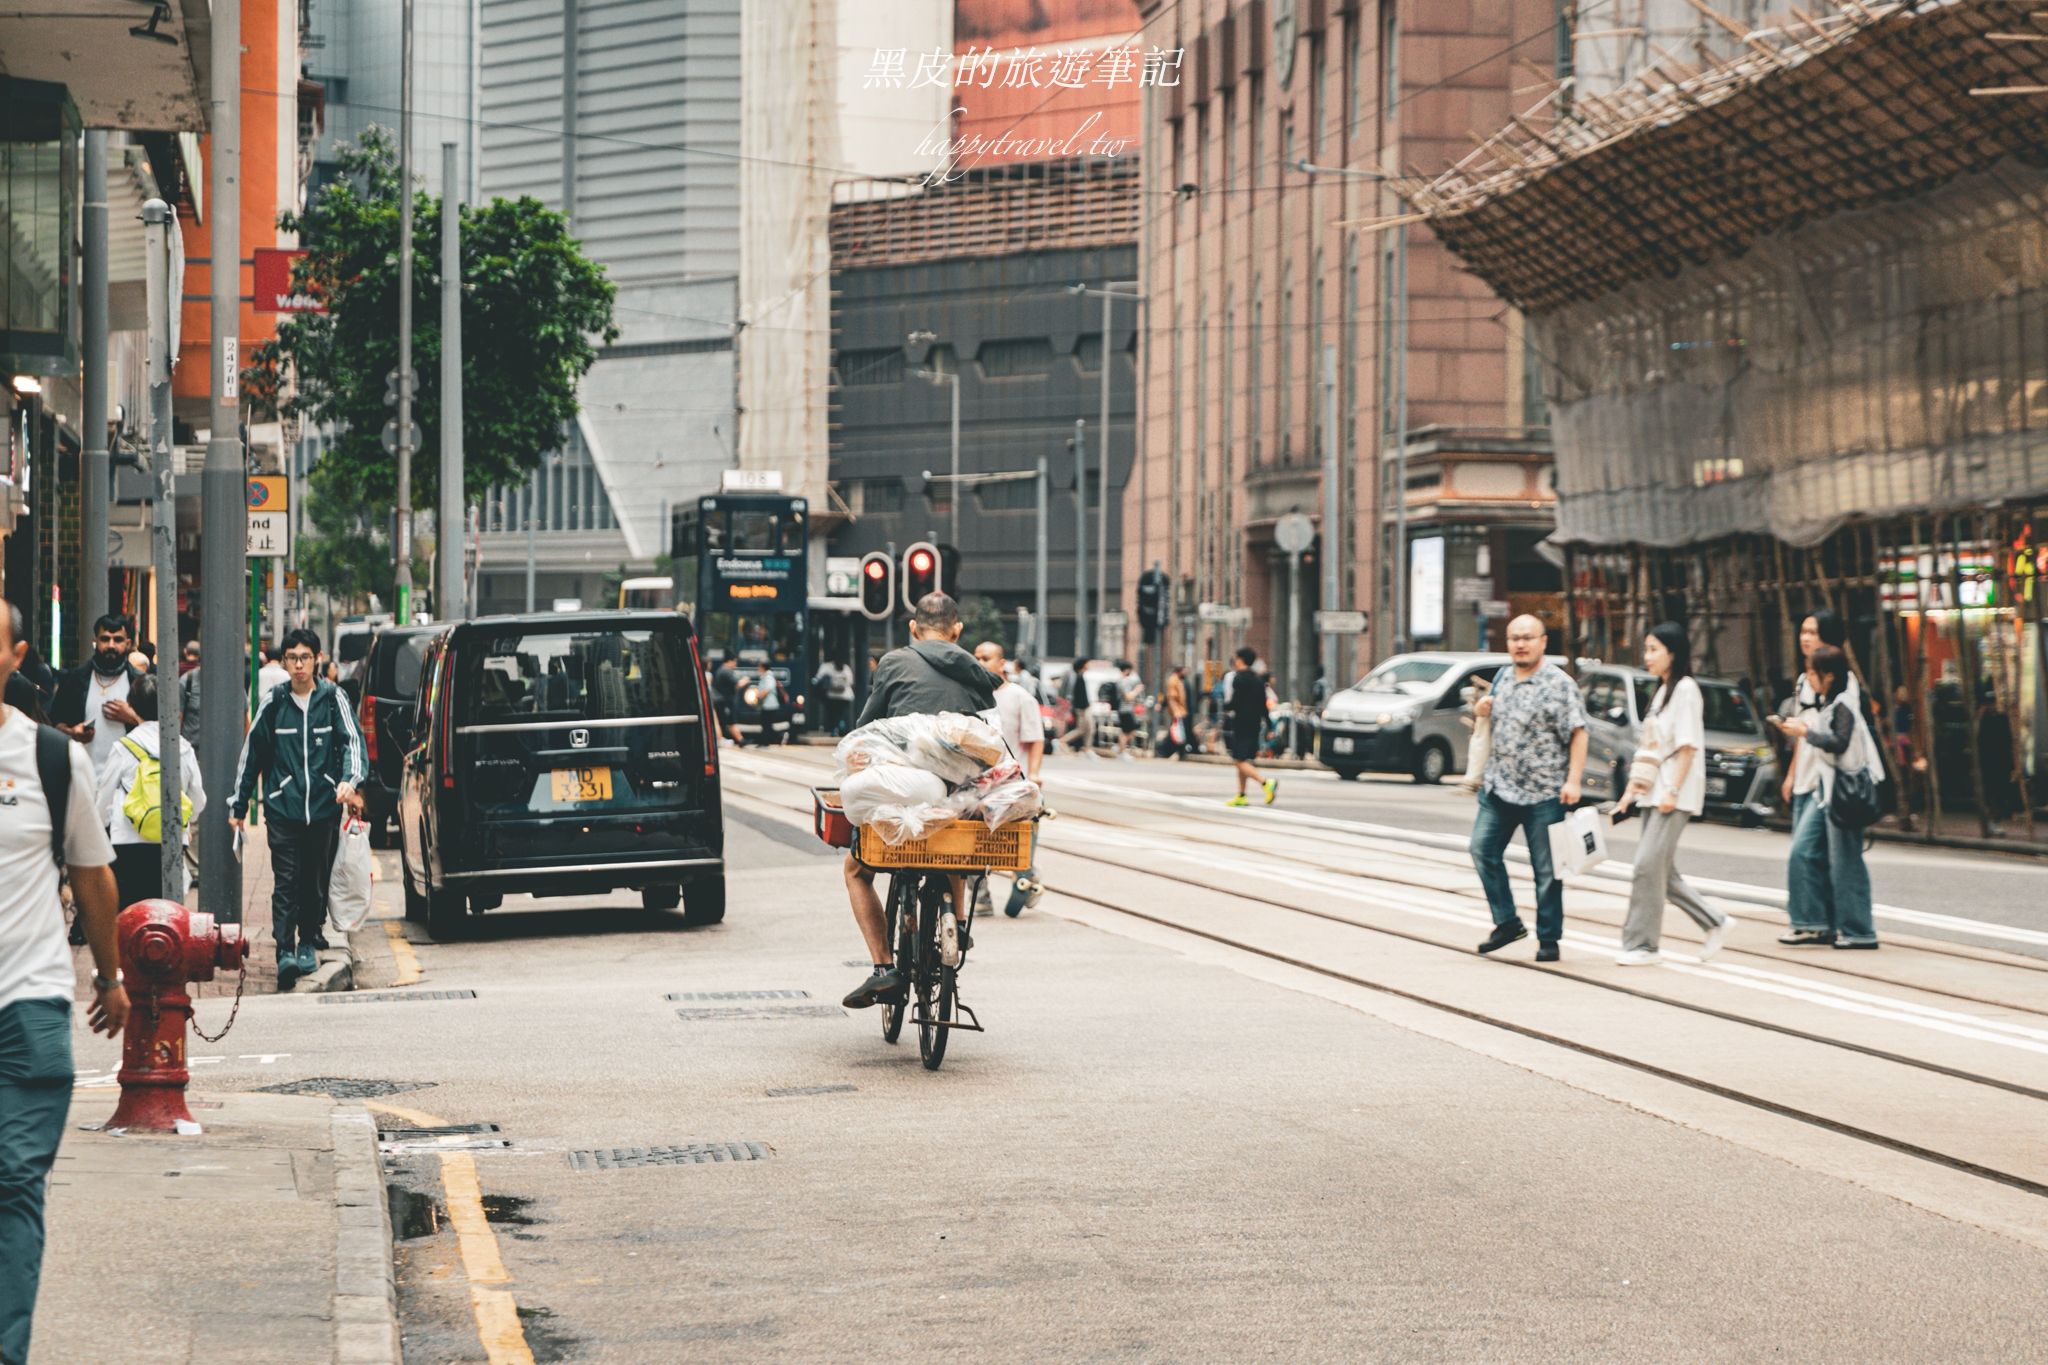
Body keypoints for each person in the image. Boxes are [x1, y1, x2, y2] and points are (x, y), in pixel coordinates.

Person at [0, 600, 128, 1365]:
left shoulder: (51, 758)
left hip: (31, 1002)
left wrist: (111, 975)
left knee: (14, 1180)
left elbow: (93, 876)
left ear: (14, 655)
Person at [841, 593, 999, 1009]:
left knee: (857, 869)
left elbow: (867, 726)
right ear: (957, 630)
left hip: (903, 783)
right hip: (952, 792)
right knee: (957, 841)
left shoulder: (894, 662)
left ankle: (882, 967)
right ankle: (958, 924)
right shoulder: (976, 671)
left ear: (914, 627)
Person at [230, 628, 367, 989]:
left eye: (305, 657)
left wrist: (349, 780)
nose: (299, 665)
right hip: (283, 808)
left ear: (317, 659)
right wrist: (239, 804)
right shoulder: (274, 701)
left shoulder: (332, 697)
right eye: (292, 658)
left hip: (323, 807)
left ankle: (308, 941)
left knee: (313, 880)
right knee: (286, 881)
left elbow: (352, 740)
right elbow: (252, 753)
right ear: (285, 661)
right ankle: (284, 952)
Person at [1470, 614, 1587, 962]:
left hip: (1545, 791)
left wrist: (1573, 780)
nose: (1520, 644)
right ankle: (1507, 921)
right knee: (1481, 850)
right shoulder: (1503, 677)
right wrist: (1481, 709)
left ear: (1543, 642)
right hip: (1499, 787)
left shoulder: (1559, 684)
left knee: (1547, 870)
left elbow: (1579, 731)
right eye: (1514, 638)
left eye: (1527, 637)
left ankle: (1548, 938)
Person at [1612, 623, 1729, 965]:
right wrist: (1629, 794)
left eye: (1653, 649)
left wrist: (1673, 790)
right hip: (1653, 791)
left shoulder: (1687, 689)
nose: (1647, 657)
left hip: (1672, 793)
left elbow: (1688, 746)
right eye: (1646, 649)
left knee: (1646, 868)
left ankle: (1642, 946)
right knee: (1662, 871)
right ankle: (1715, 921)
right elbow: (1650, 752)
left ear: (1672, 653)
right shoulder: (1663, 690)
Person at [1777, 644, 1879, 950]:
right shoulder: (1825, 702)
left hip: (1846, 793)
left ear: (1829, 675)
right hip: (1827, 790)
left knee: (1845, 862)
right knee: (1803, 851)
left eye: (1813, 673)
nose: (1809, 678)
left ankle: (1859, 931)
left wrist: (1805, 733)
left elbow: (1839, 742)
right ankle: (1814, 922)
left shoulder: (1844, 703)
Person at [95, 676, 206, 911]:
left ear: (132, 707)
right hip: (171, 840)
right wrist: (186, 822)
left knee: (130, 912)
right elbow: (198, 797)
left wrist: (104, 825)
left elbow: (103, 797)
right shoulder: (182, 748)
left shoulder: (123, 748)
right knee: (166, 911)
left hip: (127, 840)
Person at [1775, 608, 1848, 945]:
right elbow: (1803, 733)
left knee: (1803, 852)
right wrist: (1791, 776)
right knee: (1809, 853)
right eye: (1802, 631)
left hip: (1827, 781)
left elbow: (1828, 734)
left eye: (1813, 632)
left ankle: (1812, 921)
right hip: (1805, 777)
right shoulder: (1805, 680)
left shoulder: (1843, 683)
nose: (1805, 638)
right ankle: (1818, 922)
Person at [972, 639, 1045, 917]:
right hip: (981, 784)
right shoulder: (973, 696)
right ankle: (980, 896)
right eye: (976, 657)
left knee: (1016, 846)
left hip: (1016, 786)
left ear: (1001, 663)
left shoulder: (1019, 697)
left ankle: (1028, 878)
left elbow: (1035, 739)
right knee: (972, 840)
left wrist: (1035, 774)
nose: (980, 663)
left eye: (986, 658)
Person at [49, 614, 145, 775]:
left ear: (128, 644)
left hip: (129, 780)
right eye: (105, 639)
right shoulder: (75, 679)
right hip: (83, 776)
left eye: (118, 640)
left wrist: (133, 718)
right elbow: (54, 724)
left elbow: (160, 732)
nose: (111, 645)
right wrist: (72, 733)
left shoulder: (140, 683)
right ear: (95, 642)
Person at [1223, 647, 1277, 807]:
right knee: (1243, 758)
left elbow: (1235, 703)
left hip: (1241, 723)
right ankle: (1241, 795)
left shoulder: (1238, 679)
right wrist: (1269, 726)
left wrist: (1226, 705)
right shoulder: (1258, 680)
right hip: (1255, 724)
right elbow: (1263, 705)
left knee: (1238, 760)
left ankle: (1266, 783)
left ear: (1240, 660)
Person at [1062, 657, 1096, 755]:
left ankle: (1086, 748)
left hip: (1082, 708)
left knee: (1086, 729)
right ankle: (1063, 741)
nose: (1088, 666)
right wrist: (1086, 706)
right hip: (1083, 708)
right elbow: (1080, 696)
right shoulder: (1078, 677)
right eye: (1087, 663)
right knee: (1086, 729)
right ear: (1083, 665)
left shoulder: (1079, 676)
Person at [813, 656, 855, 735]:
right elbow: (851, 682)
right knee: (836, 715)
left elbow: (850, 681)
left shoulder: (844, 669)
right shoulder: (829, 668)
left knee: (838, 715)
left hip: (839, 696)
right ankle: (837, 729)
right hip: (836, 696)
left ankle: (838, 729)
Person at [1112, 659, 1142, 760]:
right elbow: (1128, 697)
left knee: (1129, 731)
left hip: (1126, 709)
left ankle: (1119, 747)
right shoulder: (1123, 681)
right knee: (1127, 732)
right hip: (1125, 709)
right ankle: (1121, 751)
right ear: (1127, 670)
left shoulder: (1122, 680)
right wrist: (1137, 690)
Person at [710, 656, 743, 746]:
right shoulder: (726, 671)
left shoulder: (721, 670)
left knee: (722, 721)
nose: (735, 664)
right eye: (734, 662)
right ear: (729, 661)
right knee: (725, 721)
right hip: (724, 701)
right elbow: (738, 684)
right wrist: (745, 680)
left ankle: (738, 740)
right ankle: (740, 741)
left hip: (721, 700)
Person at [1161, 664, 1192, 758]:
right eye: (1184, 671)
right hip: (1178, 711)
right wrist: (1176, 712)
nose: (1186, 673)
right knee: (1177, 733)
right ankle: (1166, 751)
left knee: (1178, 732)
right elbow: (1171, 698)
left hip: (1181, 710)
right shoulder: (1173, 680)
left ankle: (1177, 752)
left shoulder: (1178, 680)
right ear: (1179, 671)